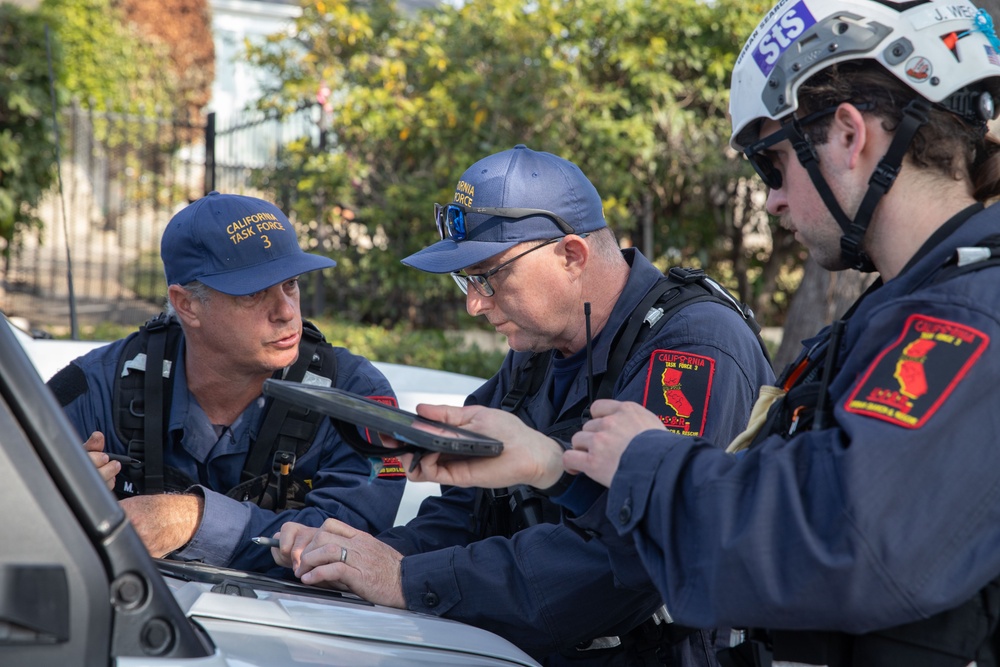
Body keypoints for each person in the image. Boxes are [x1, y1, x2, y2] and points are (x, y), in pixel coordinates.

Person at [397, 2, 1000, 665]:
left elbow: (839, 544)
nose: (771, 198)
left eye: (772, 163)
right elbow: (739, 525)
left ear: (849, 136)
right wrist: (553, 469)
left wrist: (646, 460)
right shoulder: (904, 310)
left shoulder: (965, 319)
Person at [269, 145, 776, 666]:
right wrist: (356, 558)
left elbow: (621, 567)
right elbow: (470, 512)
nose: (474, 302)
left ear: (572, 256)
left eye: (488, 275)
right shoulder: (542, 343)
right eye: (465, 279)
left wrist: (405, 579)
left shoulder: (692, 348)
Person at [47, 192, 406, 575]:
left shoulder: (357, 396)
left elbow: (355, 548)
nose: (286, 312)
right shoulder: (94, 387)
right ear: (186, 304)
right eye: (253, 293)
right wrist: (55, 501)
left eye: (292, 284)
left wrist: (194, 521)